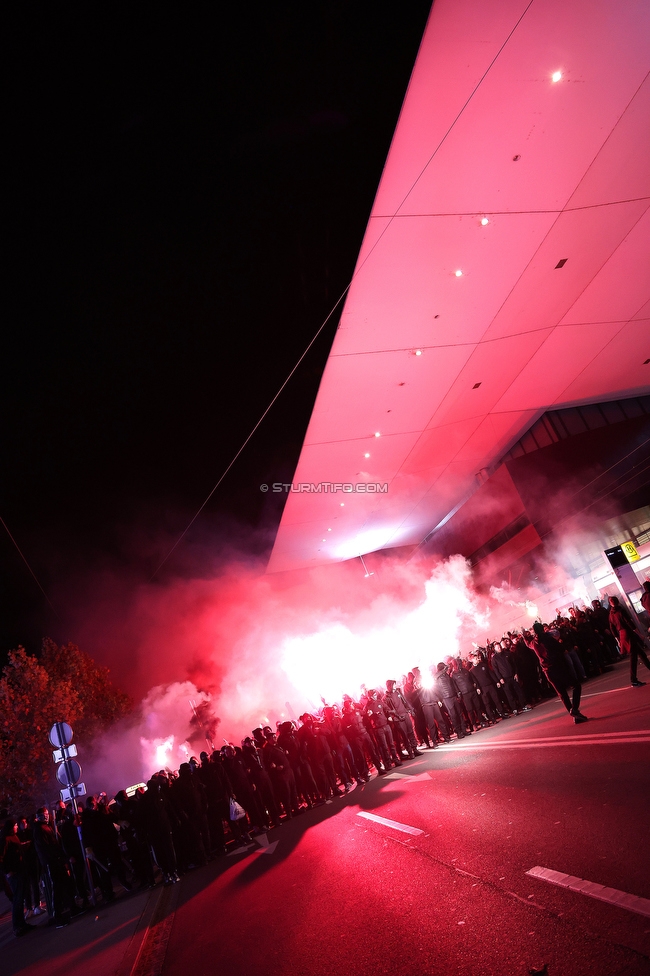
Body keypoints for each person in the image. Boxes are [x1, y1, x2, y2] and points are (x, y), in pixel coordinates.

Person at [524, 623, 588, 723]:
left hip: (547, 671)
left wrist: (525, 635)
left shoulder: (533, 643)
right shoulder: (548, 639)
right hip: (557, 667)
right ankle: (574, 709)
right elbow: (561, 649)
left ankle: (575, 716)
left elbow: (527, 644)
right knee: (576, 685)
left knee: (562, 693)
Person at [608, 595, 650, 687]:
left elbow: (612, 628)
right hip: (629, 633)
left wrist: (617, 639)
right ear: (617, 602)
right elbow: (629, 623)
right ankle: (633, 679)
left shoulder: (611, 614)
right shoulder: (620, 611)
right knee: (634, 656)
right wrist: (639, 634)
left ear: (610, 604)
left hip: (622, 635)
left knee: (640, 654)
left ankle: (634, 679)